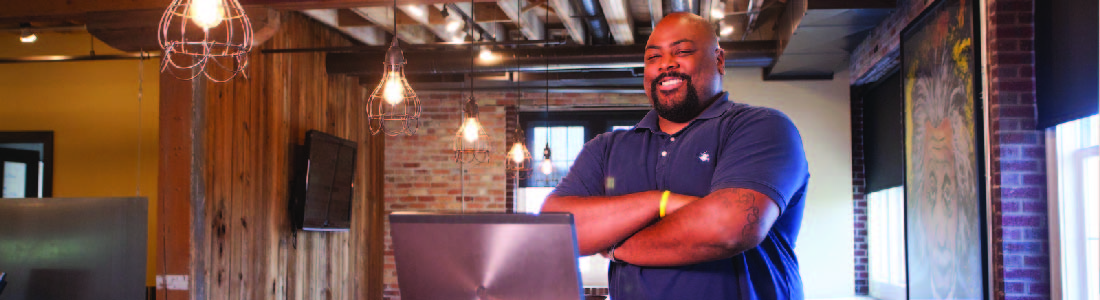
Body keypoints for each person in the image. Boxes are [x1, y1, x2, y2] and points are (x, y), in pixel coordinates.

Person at [540, 12, 810, 299]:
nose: (666, 64)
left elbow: (730, 227)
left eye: (682, 52)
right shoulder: (607, 147)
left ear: (719, 60)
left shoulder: (760, 127)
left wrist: (619, 246)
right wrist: (659, 201)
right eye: (653, 57)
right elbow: (555, 232)